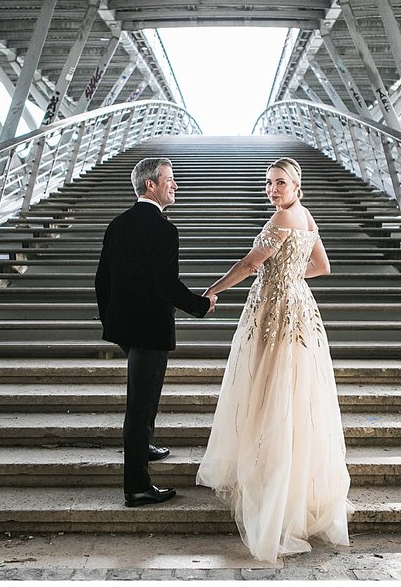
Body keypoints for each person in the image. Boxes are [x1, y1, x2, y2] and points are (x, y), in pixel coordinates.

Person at [197, 157, 353, 563]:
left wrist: (213, 289)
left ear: (296, 184)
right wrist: (291, 277)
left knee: (272, 392)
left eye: (280, 183)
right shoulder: (305, 216)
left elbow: (250, 264)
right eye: (268, 184)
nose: (273, 190)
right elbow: (322, 266)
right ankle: (292, 490)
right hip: (299, 307)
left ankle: (274, 490)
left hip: (276, 310)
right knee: (294, 393)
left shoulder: (282, 221)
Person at [95, 157, 217, 508]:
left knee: (146, 398)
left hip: (126, 328)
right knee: (140, 404)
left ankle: (144, 446)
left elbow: (102, 281)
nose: (175, 185)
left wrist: (113, 324)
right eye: (170, 179)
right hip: (150, 329)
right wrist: (200, 304)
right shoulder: (163, 229)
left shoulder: (117, 225)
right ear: (152, 185)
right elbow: (165, 285)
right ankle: (136, 486)